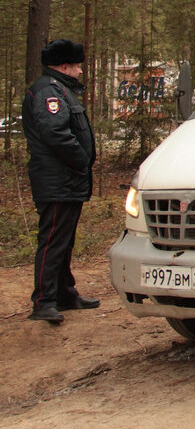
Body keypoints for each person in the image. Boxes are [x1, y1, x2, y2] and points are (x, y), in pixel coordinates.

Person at [23, 39, 99, 323]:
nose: (80, 72)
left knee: (64, 241)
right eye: (77, 66)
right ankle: (44, 301)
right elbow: (55, 132)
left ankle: (65, 294)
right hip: (57, 181)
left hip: (67, 181)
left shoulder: (60, 89)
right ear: (64, 66)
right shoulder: (48, 92)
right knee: (53, 240)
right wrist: (80, 159)